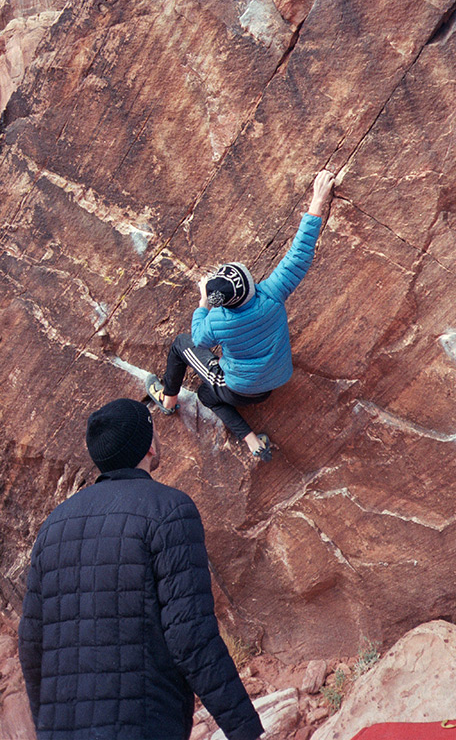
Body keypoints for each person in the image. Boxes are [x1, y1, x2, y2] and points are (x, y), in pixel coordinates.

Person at [18, 398, 263, 740]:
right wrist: (244, 728)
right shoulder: (169, 510)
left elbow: (31, 644)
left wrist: (48, 723)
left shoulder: (54, 526)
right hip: (143, 724)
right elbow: (190, 636)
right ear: (149, 447)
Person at [146, 169, 335, 462]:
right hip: (274, 380)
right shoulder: (273, 292)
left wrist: (202, 304)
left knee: (181, 348)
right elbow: (299, 256)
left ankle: (167, 401)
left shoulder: (219, 320)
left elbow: (197, 338)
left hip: (240, 388)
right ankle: (252, 441)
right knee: (206, 395)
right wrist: (317, 201)